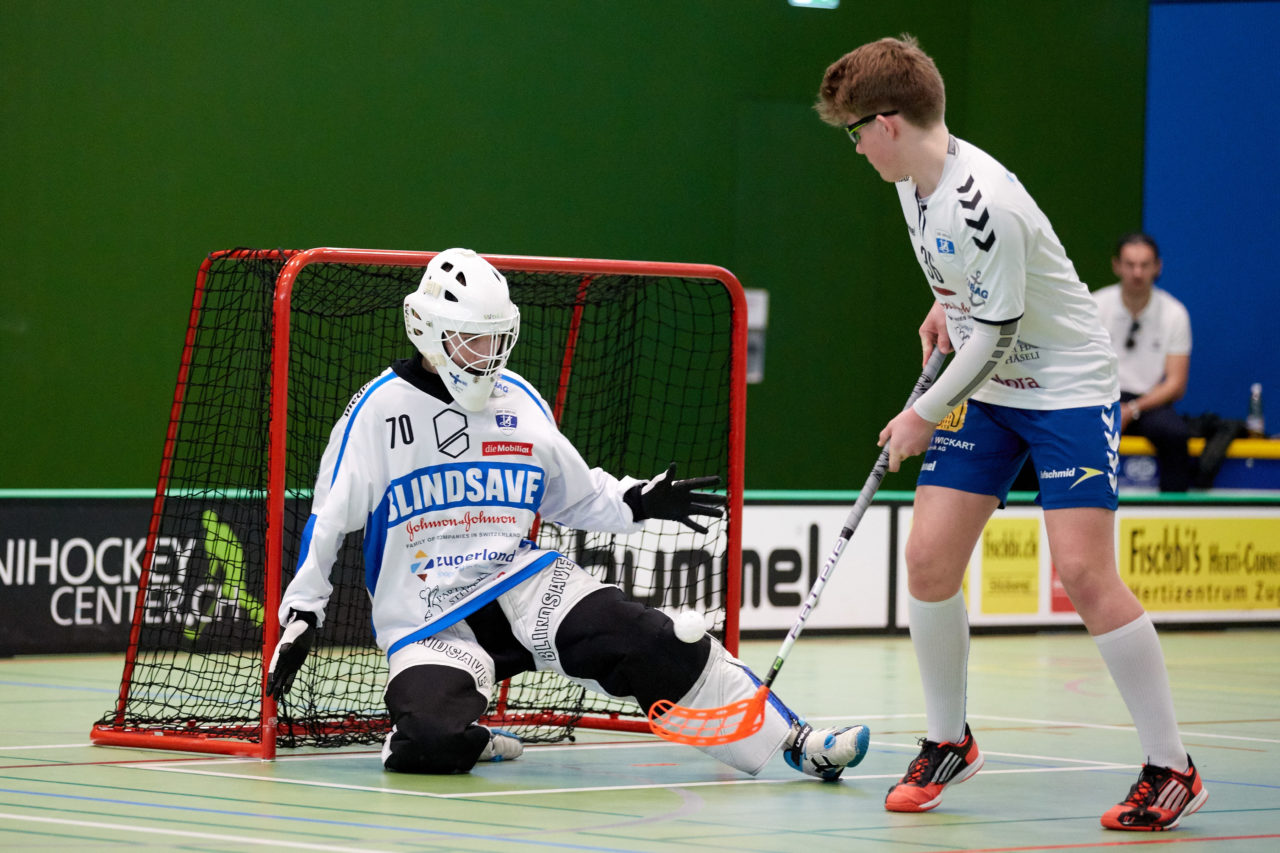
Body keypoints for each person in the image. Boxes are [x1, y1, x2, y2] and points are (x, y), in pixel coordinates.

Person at [265, 248, 869, 781]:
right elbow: (329, 515)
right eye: (471, 340)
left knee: (653, 638)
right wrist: (303, 611)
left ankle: (797, 742)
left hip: (523, 584)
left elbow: (576, 494)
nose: (488, 354)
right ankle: (469, 740)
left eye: (496, 338)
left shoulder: (520, 401)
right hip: (428, 618)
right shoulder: (377, 410)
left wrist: (638, 501)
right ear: (426, 329)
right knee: (426, 742)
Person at [816, 37, 1206, 830]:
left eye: (856, 130)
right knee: (927, 558)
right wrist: (944, 303)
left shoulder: (980, 197)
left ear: (888, 122)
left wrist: (922, 414)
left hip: (1062, 387)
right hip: (990, 386)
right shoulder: (911, 183)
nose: (854, 146)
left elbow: (994, 331)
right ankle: (947, 738)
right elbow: (965, 295)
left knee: (1085, 575)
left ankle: (1172, 765)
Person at [1093, 233, 1193, 491]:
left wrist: (1133, 408)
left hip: (1149, 402)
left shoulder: (1174, 313)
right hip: (1102, 397)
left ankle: (1174, 514)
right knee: (1065, 431)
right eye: (1130, 264)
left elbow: (1176, 383)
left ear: (1157, 267)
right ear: (1117, 266)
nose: (1137, 273)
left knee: (1176, 435)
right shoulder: (1094, 306)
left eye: (1144, 265)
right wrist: (1110, 406)